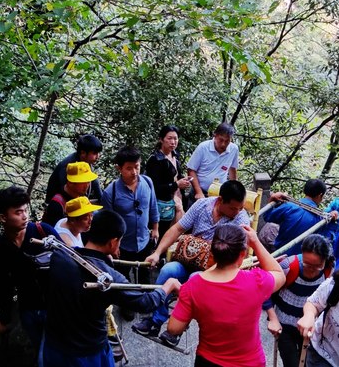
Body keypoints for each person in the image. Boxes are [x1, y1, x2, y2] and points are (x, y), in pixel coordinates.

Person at [41, 210, 182, 367]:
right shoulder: (108, 278)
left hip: (53, 344)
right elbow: (145, 302)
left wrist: (104, 260)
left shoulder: (60, 255)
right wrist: (169, 285)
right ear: (113, 242)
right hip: (86, 352)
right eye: (119, 241)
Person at [132, 180, 252, 345]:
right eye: (233, 208)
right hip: (188, 259)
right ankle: (154, 320)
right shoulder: (202, 205)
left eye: (240, 208)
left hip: (212, 269)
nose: (237, 212)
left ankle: (176, 330)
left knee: (196, 279)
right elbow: (177, 229)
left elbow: (239, 255)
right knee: (168, 270)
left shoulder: (240, 220)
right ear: (220, 200)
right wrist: (157, 252)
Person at [167, 224, 286, 367]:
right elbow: (279, 274)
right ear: (242, 254)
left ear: (212, 251)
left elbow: (174, 328)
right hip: (249, 363)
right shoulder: (256, 281)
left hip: (208, 362)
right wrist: (255, 242)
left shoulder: (192, 286)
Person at [0, 185, 61, 354]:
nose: (25, 216)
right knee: (41, 350)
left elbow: (68, 264)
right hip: (28, 310)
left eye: (26, 210)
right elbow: (3, 285)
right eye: (18, 212)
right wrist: (5, 319)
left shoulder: (43, 233)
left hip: (56, 306)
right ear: (3, 217)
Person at [264, 234, 334, 367]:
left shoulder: (329, 269)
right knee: (291, 363)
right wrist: (273, 319)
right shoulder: (288, 265)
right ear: (302, 253)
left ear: (325, 260)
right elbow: (265, 291)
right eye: (307, 264)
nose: (312, 270)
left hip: (311, 328)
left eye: (317, 266)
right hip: (284, 326)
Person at [101, 146, 158, 284]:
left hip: (144, 241)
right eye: (129, 168)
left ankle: (144, 304)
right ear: (119, 169)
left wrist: (155, 228)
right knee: (122, 280)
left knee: (146, 279)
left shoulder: (147, 182)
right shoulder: (111, 192)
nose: (134, 172)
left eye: (137, 167)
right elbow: (108, 222)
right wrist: (112, 246)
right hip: (123, 245)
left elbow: (153, 206)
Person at [265, 179, 339, 256]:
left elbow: (267, 216)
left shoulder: (288, 206)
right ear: (320, 195)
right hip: (299, 261)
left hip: (278, 255)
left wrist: (272, 199)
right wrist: (332, 222)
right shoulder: (320, 219)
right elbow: (327, 241)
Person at [145, 125, 193, 240]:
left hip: (177, 202)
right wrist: (176, 185)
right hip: (162, 206)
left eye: (175, 139)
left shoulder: (175, 156)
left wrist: (184, 181)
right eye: (169, 138)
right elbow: (154, 187)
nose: (173, 142)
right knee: (163, 236)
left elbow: (176, 177)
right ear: (161, 139)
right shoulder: (155, 160)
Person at [186, 123, 239, 202]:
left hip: (219, 194)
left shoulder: (234, 149)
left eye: (227, 141)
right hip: (200, 192)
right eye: (221, 140)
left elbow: (232, 169)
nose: (223, 144)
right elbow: (191, 170)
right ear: (215, 135)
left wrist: (234, 190)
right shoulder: (203, 147)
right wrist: (199, 192)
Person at [45, 134, 103, 203]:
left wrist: (102, 198)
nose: (98, 156)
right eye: (94, 153)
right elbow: (64, 191)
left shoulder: (86, 162)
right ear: (83, 153)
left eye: (98, 153)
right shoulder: (68, 166)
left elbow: (94, 181)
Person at [42, 161, 99, 226]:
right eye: (83, 182)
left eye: (88, 182)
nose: (87, 185)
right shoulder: (57, 204)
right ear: (71, 183)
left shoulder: (80, 197)